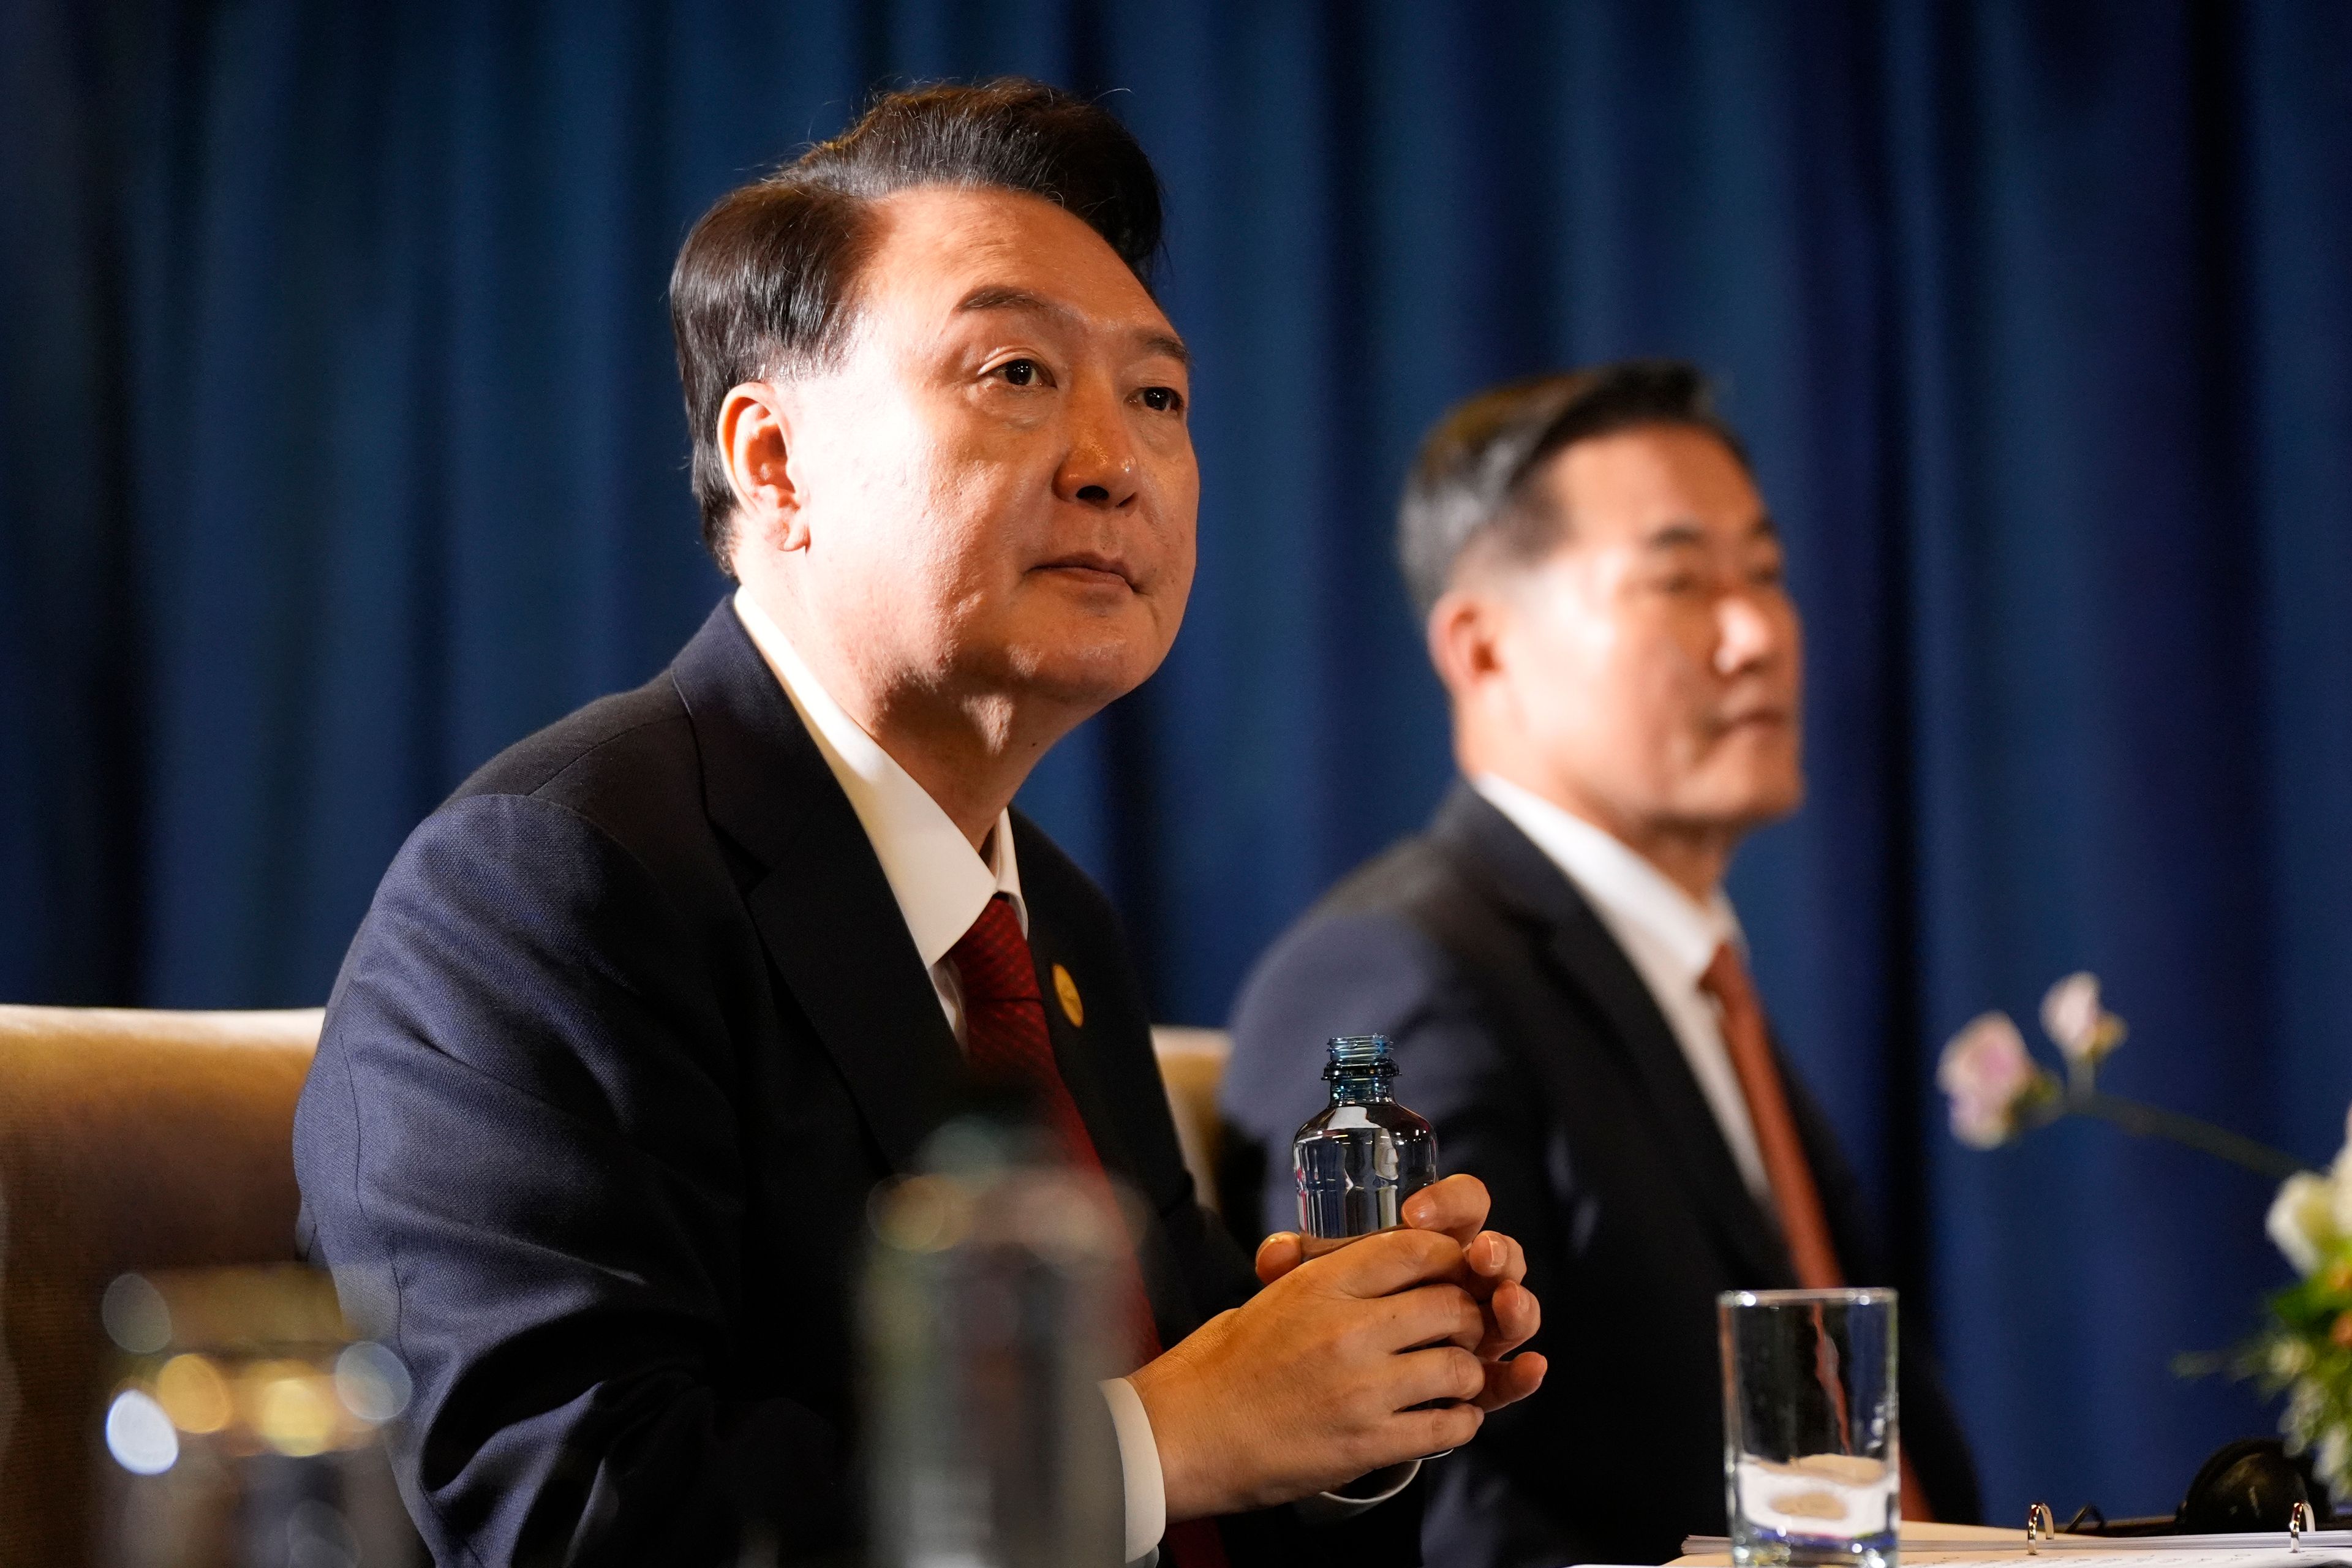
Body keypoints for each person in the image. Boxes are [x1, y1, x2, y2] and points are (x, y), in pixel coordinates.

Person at [292, 81, 1545, 1568]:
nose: (1115, 459)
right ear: (774, 461)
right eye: (1015, 371)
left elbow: (1204, 1418)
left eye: (1158, 395)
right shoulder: (549, 883)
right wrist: (1164, 1436)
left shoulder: (1047, 926)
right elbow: (566, 1504)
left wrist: (1350, 1391)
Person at [1218, 363, 1983, 1568]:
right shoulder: (1403, 973)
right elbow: (1440, 1509)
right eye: (1680, 581)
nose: (1756, 634)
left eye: (1768, 576)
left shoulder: (1692, 974)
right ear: (1483, 648)